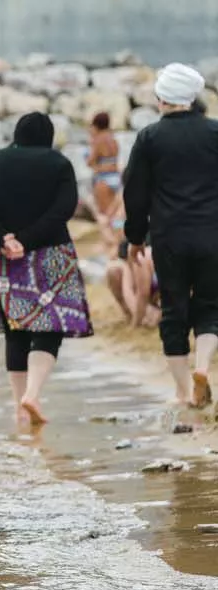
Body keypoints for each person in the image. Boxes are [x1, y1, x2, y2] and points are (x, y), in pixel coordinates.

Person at [0, 111, 90, 427]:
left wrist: (4, 238)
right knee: (51, 325)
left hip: (7, 257)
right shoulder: (59, 164)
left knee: (16, 326)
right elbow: (64, 208)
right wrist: (28, 238)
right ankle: (33, 394)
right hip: (51, 252)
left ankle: (19, 407)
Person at [122, 62, 218, 409]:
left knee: (174, 310)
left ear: (162, 98)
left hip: (169, 236)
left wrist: (134, 239)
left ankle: (182, 391)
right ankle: (203, 368)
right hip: (212, 234)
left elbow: (135, 192)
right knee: (210, 305)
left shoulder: (150, 138)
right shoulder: (214, 133)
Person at [87, 111, 122, 256]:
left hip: (102, 180)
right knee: (115, 214)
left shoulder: (98, 140)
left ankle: (108, 246)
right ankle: (119, 241)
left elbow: (91, 161)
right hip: (116, 178)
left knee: (103, 216)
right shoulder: (113, 139)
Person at [106, 239, 160, 328]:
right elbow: (131, 293)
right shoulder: (131, 263)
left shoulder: (139, 258)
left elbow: (142, 294)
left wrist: (135, 326)